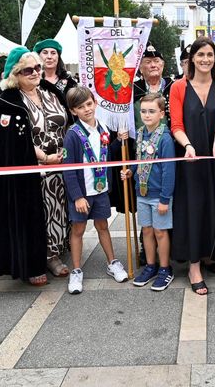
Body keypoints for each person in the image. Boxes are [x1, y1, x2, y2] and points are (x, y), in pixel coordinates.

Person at [0, 47, 67, 287]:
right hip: (30, 169)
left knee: (56, 210)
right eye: (28, 70)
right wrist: (41, 155)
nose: (35, 73)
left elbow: (67, 122)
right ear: (15, 74)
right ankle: (34, 261)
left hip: (59, 166)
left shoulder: (51, 92)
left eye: (38, 68)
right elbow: (5, 140)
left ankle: (53, 253)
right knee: (33, 214)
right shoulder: (4, 100)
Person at [170, 37, 215, 295]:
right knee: (194, 208)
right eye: (200, 55)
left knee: (214, 204)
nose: (205, 59)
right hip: (190, 158)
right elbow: (176, 125)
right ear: (192, 59)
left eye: (210, 54)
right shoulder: (178, 87)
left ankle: (211, 253)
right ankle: (194, 265)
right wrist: (187, 145)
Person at [63, 86, 129, 294]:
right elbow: (69, 170)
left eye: (89, 104)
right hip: (82, 194)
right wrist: (77, 197)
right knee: (78, 230)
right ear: (73, 111)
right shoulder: (72, 135)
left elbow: (108, 154)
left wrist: (119, 140)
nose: (86, 109)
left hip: (100, 190)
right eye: (80, 107)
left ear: (95, 103)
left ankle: (112, 262)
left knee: (103, 226)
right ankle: (76, 271)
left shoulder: (102, 128)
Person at [121, 93, 176, 291]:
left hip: (158, 195)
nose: (146, 115)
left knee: (160, 232)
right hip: (141, 193)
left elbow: (169, 171)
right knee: (147, 231)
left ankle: (164, 268)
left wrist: (164, 199)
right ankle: (151, 266)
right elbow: (139, 159)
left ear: (161, 113)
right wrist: (130, 172)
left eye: (151, 111)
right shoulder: (141, 133)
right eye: (143, 111)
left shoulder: (166, 139)